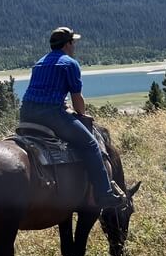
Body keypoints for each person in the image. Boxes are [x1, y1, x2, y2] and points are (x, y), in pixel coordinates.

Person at [19, 26, 126, 208]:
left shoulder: (39, 63)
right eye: (73, 42)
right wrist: (81, 115)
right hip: (51, 114)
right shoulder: (69, 63)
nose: (74, 46)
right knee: (91, 144)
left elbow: (45, 91)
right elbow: (77, 99)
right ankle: (105, 194)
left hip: (27, 112)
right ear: (67, 44)